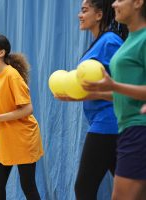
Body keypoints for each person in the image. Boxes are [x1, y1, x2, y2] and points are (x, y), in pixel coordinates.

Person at [55, 0, 128, 199]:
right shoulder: (101, 41)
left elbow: (126, 87)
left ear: (99, 15)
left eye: (84, 10)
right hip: (107, 123)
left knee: (84, 188)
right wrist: (73, 96)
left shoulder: (110, 41)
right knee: (131, 192)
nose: (80, 15)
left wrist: (79, 95)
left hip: (108, 123)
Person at [82, 0, 146, 199]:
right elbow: (124, 91)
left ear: (138, 3)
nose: (115, 4)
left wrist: (113, 86)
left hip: (135, 127)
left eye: (119, 0)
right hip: (127, 128)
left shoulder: (134, 39)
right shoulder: (130, 40)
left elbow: (119, 86)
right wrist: (92, 94)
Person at [0, 34, 44, 200]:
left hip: (23, 137)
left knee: (28, 185)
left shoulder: (12, 75)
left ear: (1, 53)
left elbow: (28, 109)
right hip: (4, 139)